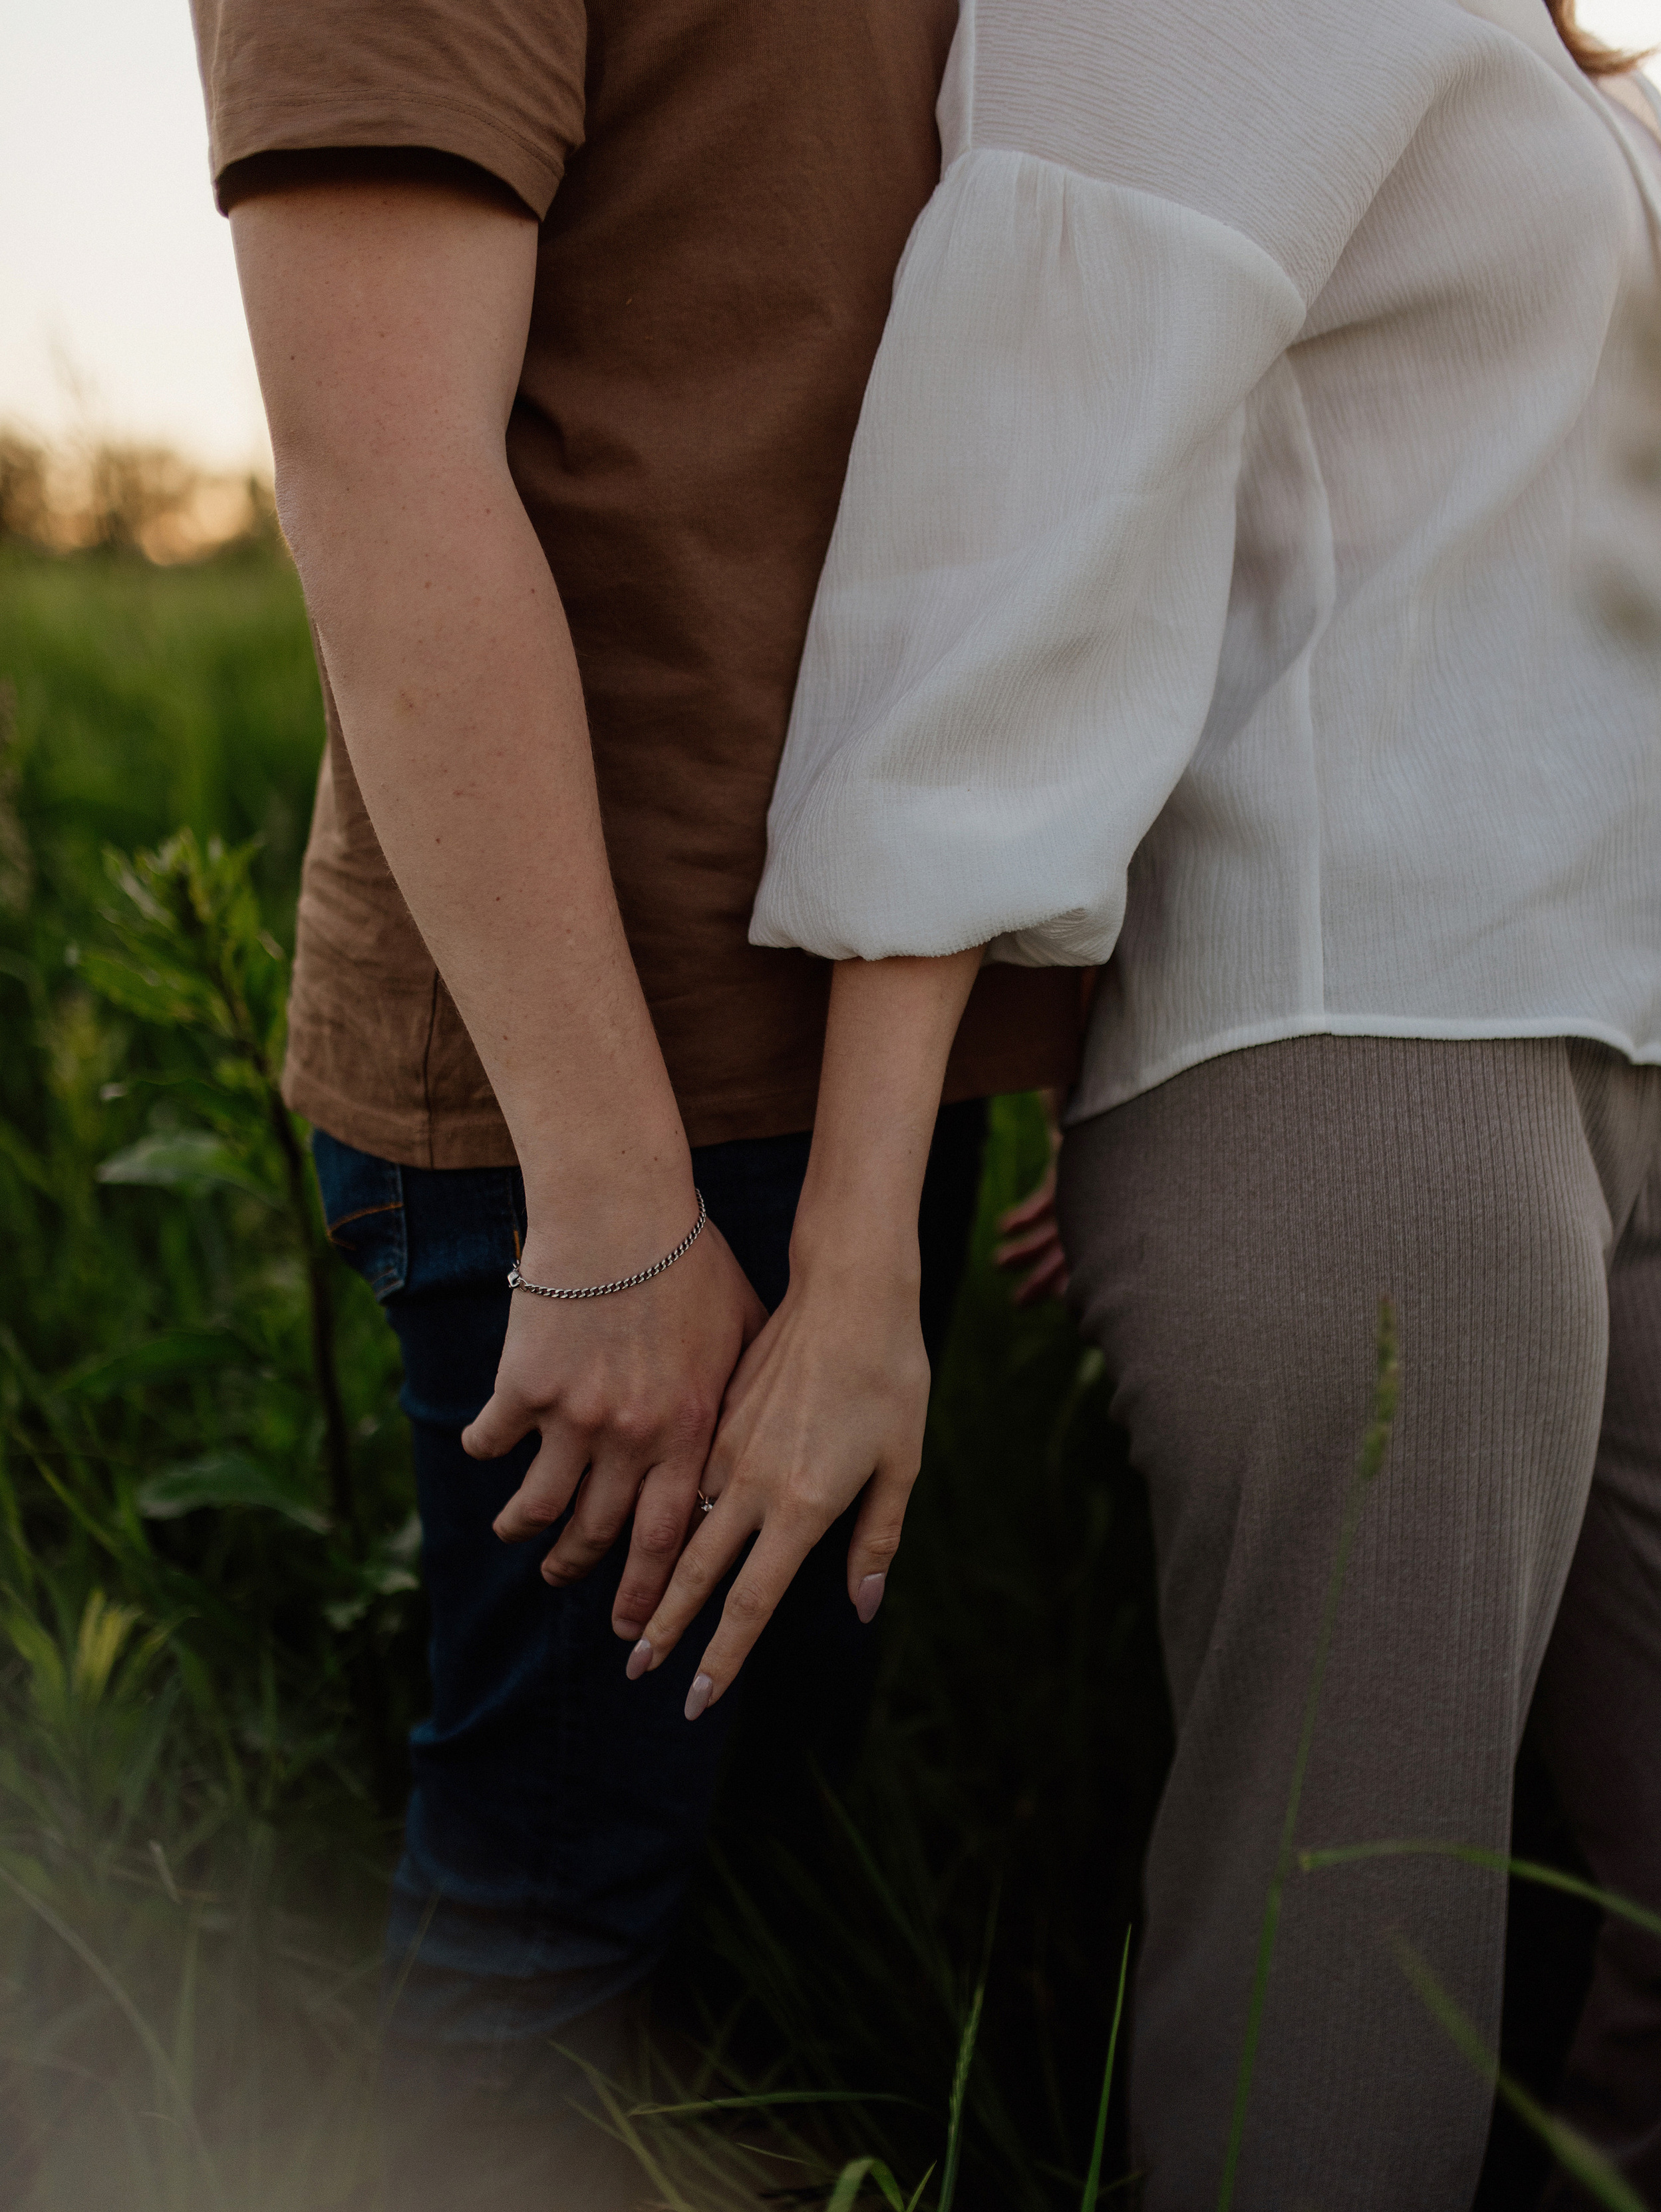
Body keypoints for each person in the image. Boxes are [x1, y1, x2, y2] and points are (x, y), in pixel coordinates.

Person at [629, 0, 1661, 2212]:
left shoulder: (1562, 56)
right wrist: (865, 1242)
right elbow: (1024, 504)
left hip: (1641, 1042)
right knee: (1365, 1952)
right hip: (1371, 1044)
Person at [189, 0, 1084, 2062]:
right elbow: (376, 459)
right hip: (598, 1086)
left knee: (762, 1893)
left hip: (861, 1025)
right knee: (557, 1925)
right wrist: (607, 1198)